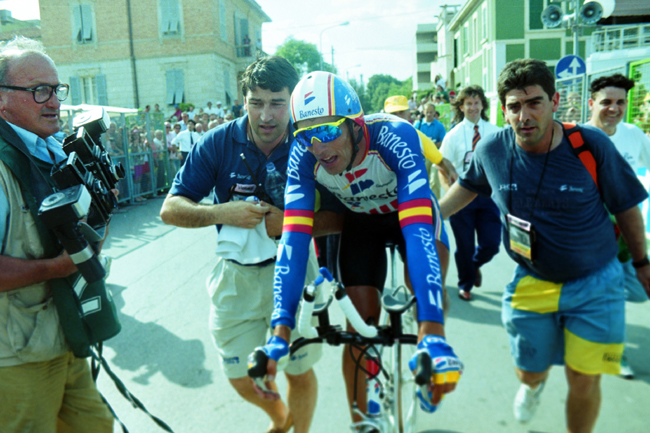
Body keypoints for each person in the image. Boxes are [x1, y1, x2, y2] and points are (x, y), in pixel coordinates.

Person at [439, 58, 650, 431]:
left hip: (596, 283)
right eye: (514, 106)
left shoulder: (589, 144)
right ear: (503, 109)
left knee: (584, 379)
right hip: (532, 281)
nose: (524, 116)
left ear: (554, 102)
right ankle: (533, 386)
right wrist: (425, 221)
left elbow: (627, 207)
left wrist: (643, 263)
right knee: (528, 373)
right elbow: (468, 187)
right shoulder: (492, 149)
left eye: (534, 102)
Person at [253, 71, 463, 425]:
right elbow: (293, 240)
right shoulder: (303, 156)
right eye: (307, 135)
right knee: (359, 326)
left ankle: (431, 351)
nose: (318, 147)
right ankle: (360, 419)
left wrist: (433, 331)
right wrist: (280, 332)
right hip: (361, 223)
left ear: (355, 124)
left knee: (431, 299)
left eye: (328, 131)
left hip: (409, 216)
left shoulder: (394, 136)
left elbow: (417, 233)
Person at [160, 56, 342, 433]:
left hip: (296, 273)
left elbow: (343, 217)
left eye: (277, 102)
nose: (266, 116)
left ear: (292, 102)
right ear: (243, 100)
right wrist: (220, 212)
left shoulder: (313, 142)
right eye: (256, 102)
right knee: (240, 374)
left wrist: (293, 223)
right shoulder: (218, 141)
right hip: (235, 279)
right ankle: (280, 418)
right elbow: (170, 209)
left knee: (300, 370)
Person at [0, 36, 114, 432]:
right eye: (38, 90)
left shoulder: (52, 152)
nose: (54, 101)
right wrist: (59, 267)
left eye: (56, 89)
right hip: (16, 354)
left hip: (64, 333)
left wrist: (99, 208)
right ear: (1, 99)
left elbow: (83, 237)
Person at [587, 73, 650, 379]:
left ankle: (596, 306)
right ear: (592, 103)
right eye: (606, 102)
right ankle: (615, 353)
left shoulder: (634, 134)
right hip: (592, 233)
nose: (614, 108)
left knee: (639, 292)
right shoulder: (576, 137)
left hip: (628, 232)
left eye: (620, 102)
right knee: (611, 294)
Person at [439, 85, 502, 301]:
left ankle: (474, 265)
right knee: (464, 246)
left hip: (488, 198)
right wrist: (449, 190)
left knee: (491, 244)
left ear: (482, 105)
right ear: (462, 106)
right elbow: (442, 165)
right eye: (469, 104)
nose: (473, 107)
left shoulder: (495, 132)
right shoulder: (453, 135)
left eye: (476, 103)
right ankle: (465, 284)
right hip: (461, 198)